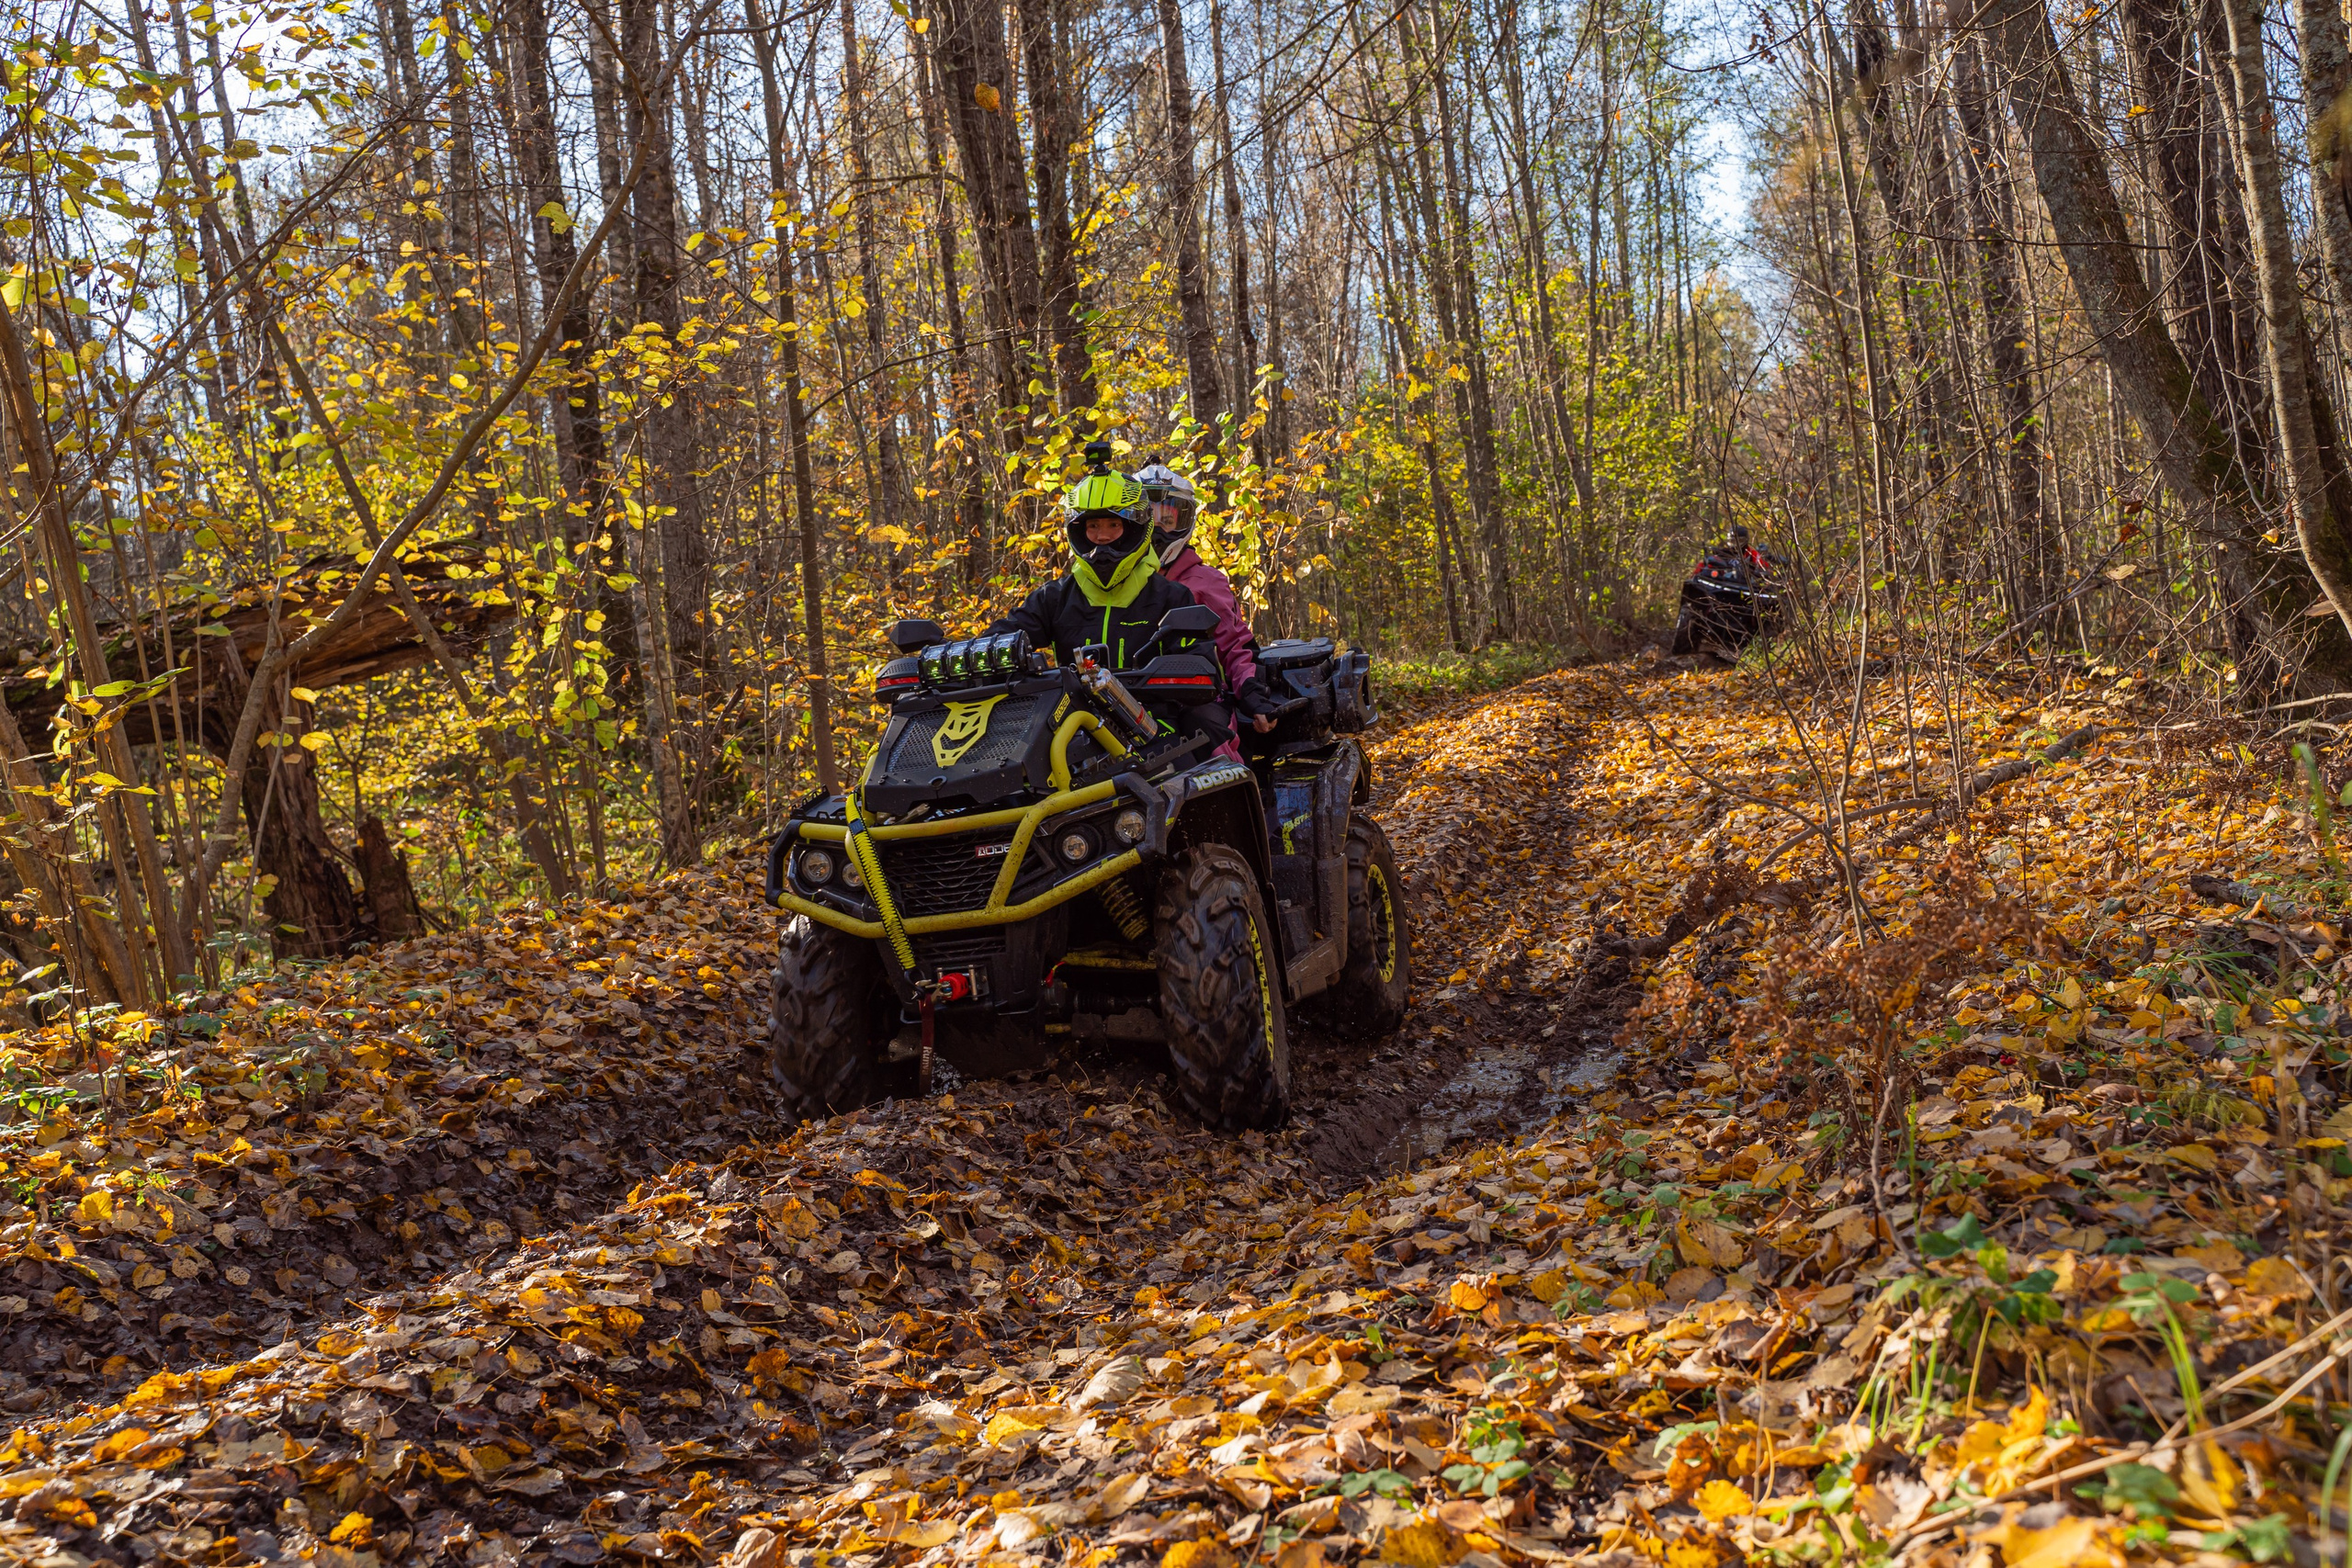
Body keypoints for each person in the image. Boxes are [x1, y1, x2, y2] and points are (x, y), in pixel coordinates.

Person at [1134, 457, 1279, 738]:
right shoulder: (1116, 580)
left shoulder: (1205, 581)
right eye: (1148, 520)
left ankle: (1231, 767)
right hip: (1129, 695)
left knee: (1205, 726)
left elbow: (1235, 645)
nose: (1158, 531)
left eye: (1167, 521)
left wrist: (1253, 695)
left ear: (1184, 522)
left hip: (1198, 697)